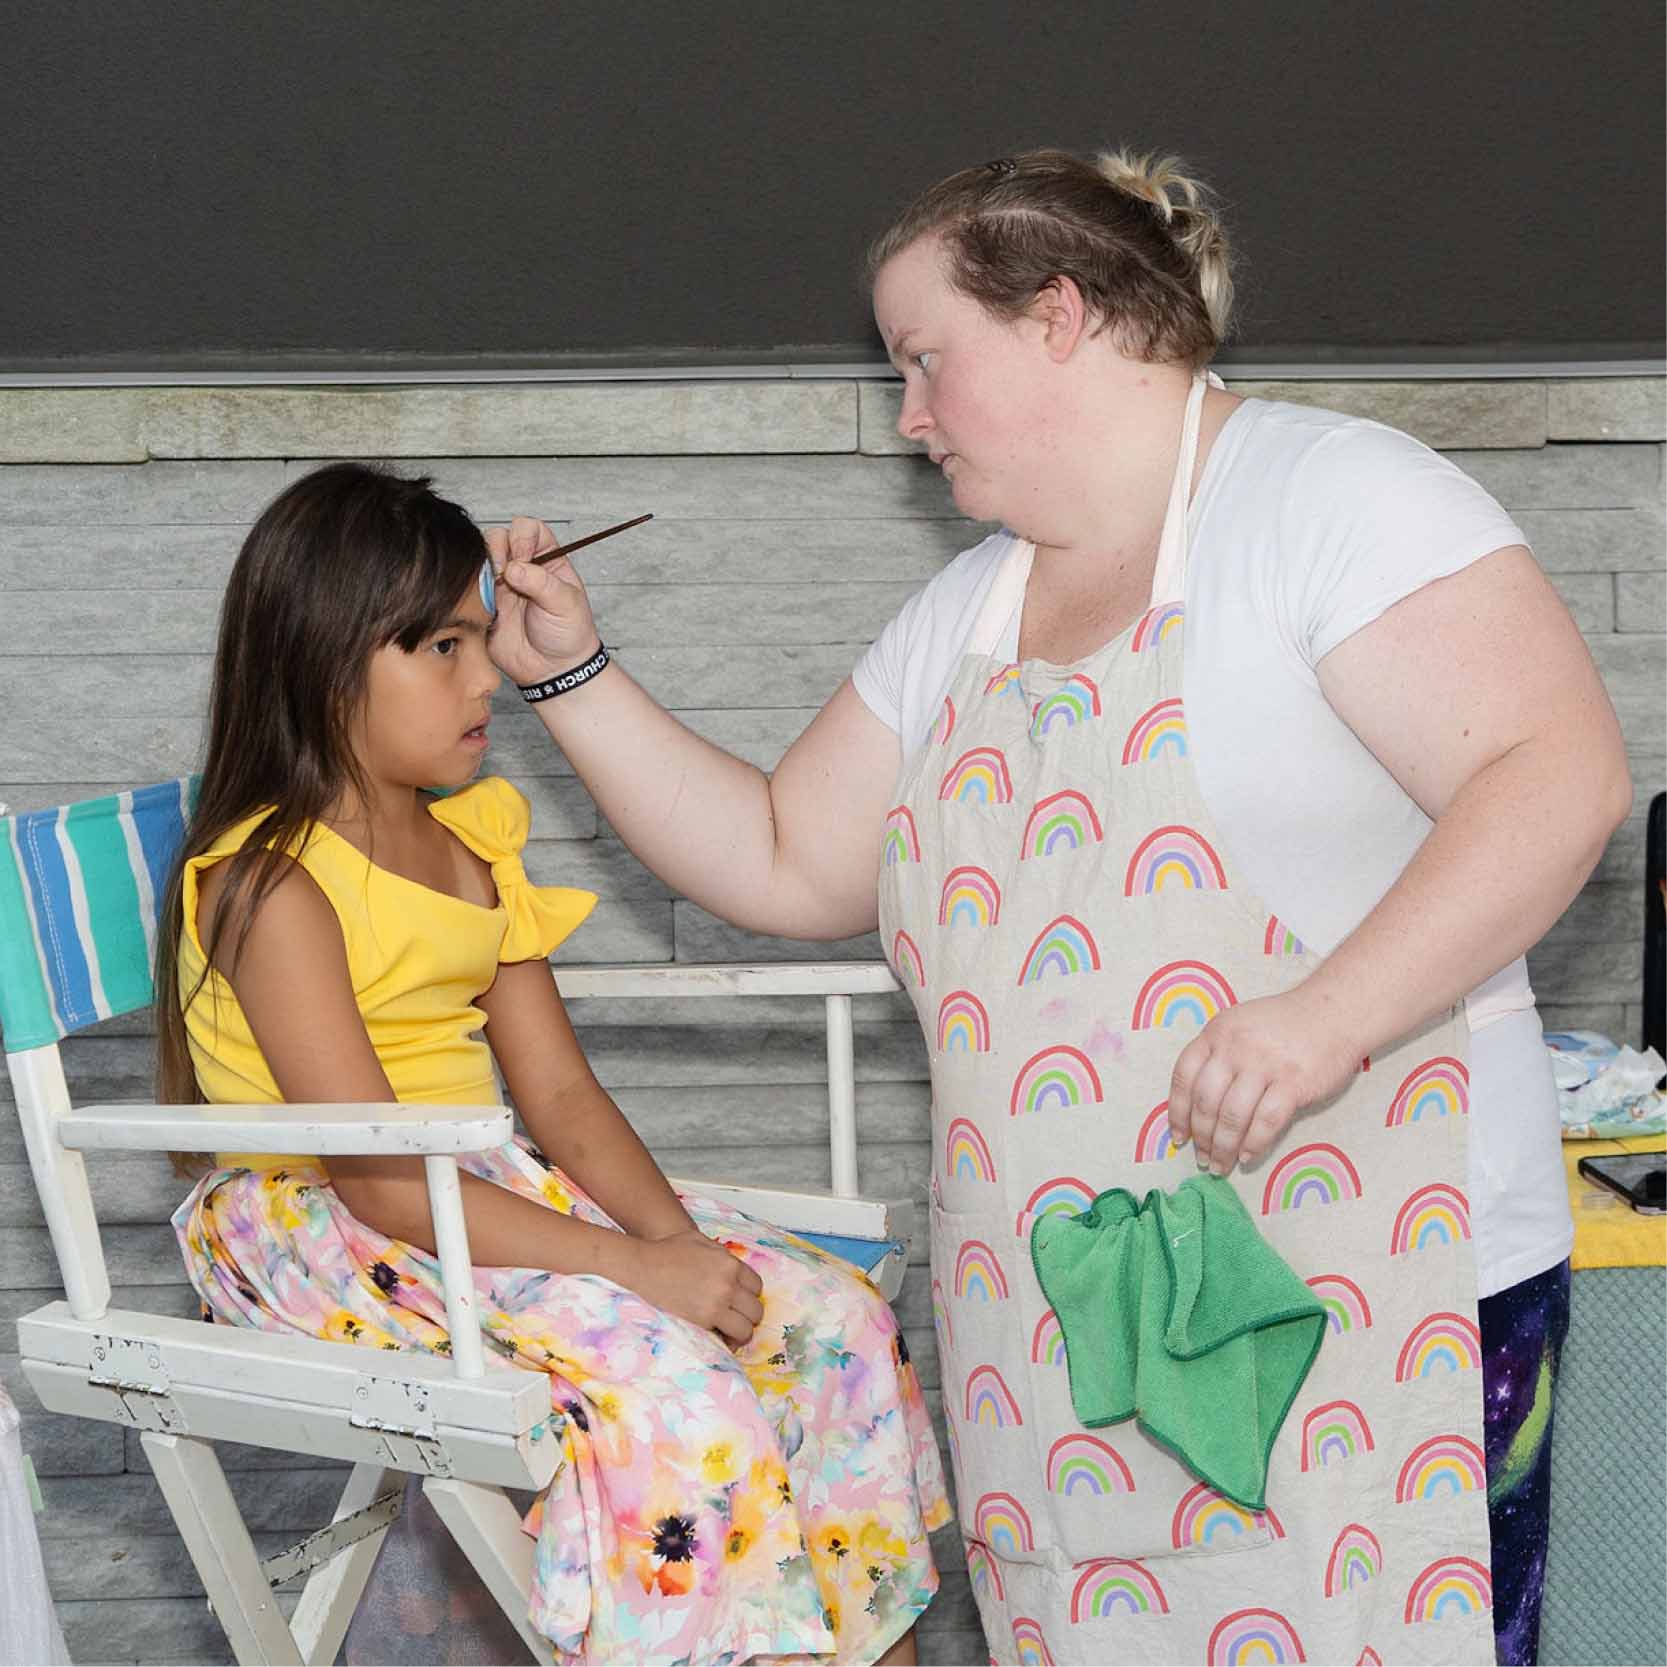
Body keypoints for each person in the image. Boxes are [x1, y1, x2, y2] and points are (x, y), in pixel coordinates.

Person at [484, 149, 1633, 1665]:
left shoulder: (1331, 498)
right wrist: (569, 672)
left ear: (1058, 319)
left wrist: (1321, 1018)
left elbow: (1555, 775)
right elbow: (782, 853)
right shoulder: (963, 611)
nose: (905, 415)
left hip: (1366, 1298)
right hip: (1057, 1346)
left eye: (920, 361)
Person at [153, 463, 947, 1667]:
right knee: (673, 1381)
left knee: (824, 1317)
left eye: (483, 639)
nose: (486, 678)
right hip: (329, 1210)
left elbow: (563, 1098)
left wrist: (677, 1248)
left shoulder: (472, 841)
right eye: (444, 646)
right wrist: (637, 1270)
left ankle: (870, 1649)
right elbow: (373, 1179)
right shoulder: (275, 881)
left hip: (484, 1191)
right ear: (325, 660)